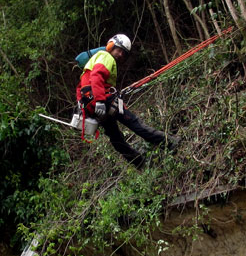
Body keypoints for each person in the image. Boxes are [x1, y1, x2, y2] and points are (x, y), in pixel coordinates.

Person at [75, 34, 177, 168]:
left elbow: (81, 88)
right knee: (135, 124)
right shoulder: (106, 56)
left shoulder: (93, 60)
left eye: (124, 53)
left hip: (95, 105)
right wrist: (100, 101)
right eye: (119, 49)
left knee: (116, 138)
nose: (120, 54)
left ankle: (140, 164)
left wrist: (83, 109)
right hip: (104, 100)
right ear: (111, 46)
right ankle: (170, 142)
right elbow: (96, 77)